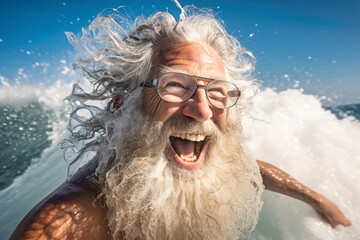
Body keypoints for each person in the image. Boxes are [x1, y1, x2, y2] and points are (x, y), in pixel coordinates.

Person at [10, 5, 351, 240]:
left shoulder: (205, 159)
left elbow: (252, 168)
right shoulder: (71, 219)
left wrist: (317, 199)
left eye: (217, 92)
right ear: (123, 105)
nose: (202, 110)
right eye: (175, 86)